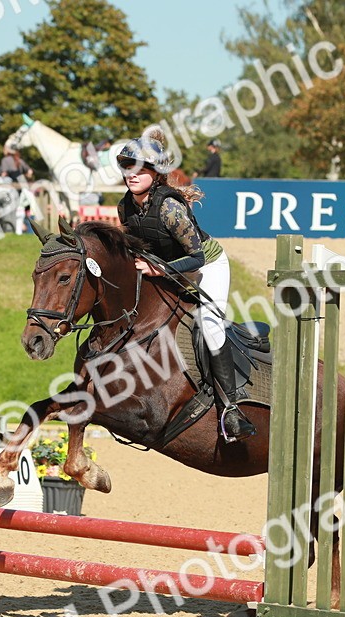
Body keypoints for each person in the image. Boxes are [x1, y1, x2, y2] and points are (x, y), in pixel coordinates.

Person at [115, 127, 256, 442]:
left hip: (206, 267)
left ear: (157, 173)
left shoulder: (170, 207)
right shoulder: (125, 206)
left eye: (140, 168)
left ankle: (231, 409)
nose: (131, 174)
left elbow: (196, 257)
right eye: (127, 167)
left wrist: (158, 269)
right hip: (165, 269)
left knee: (209, 325)